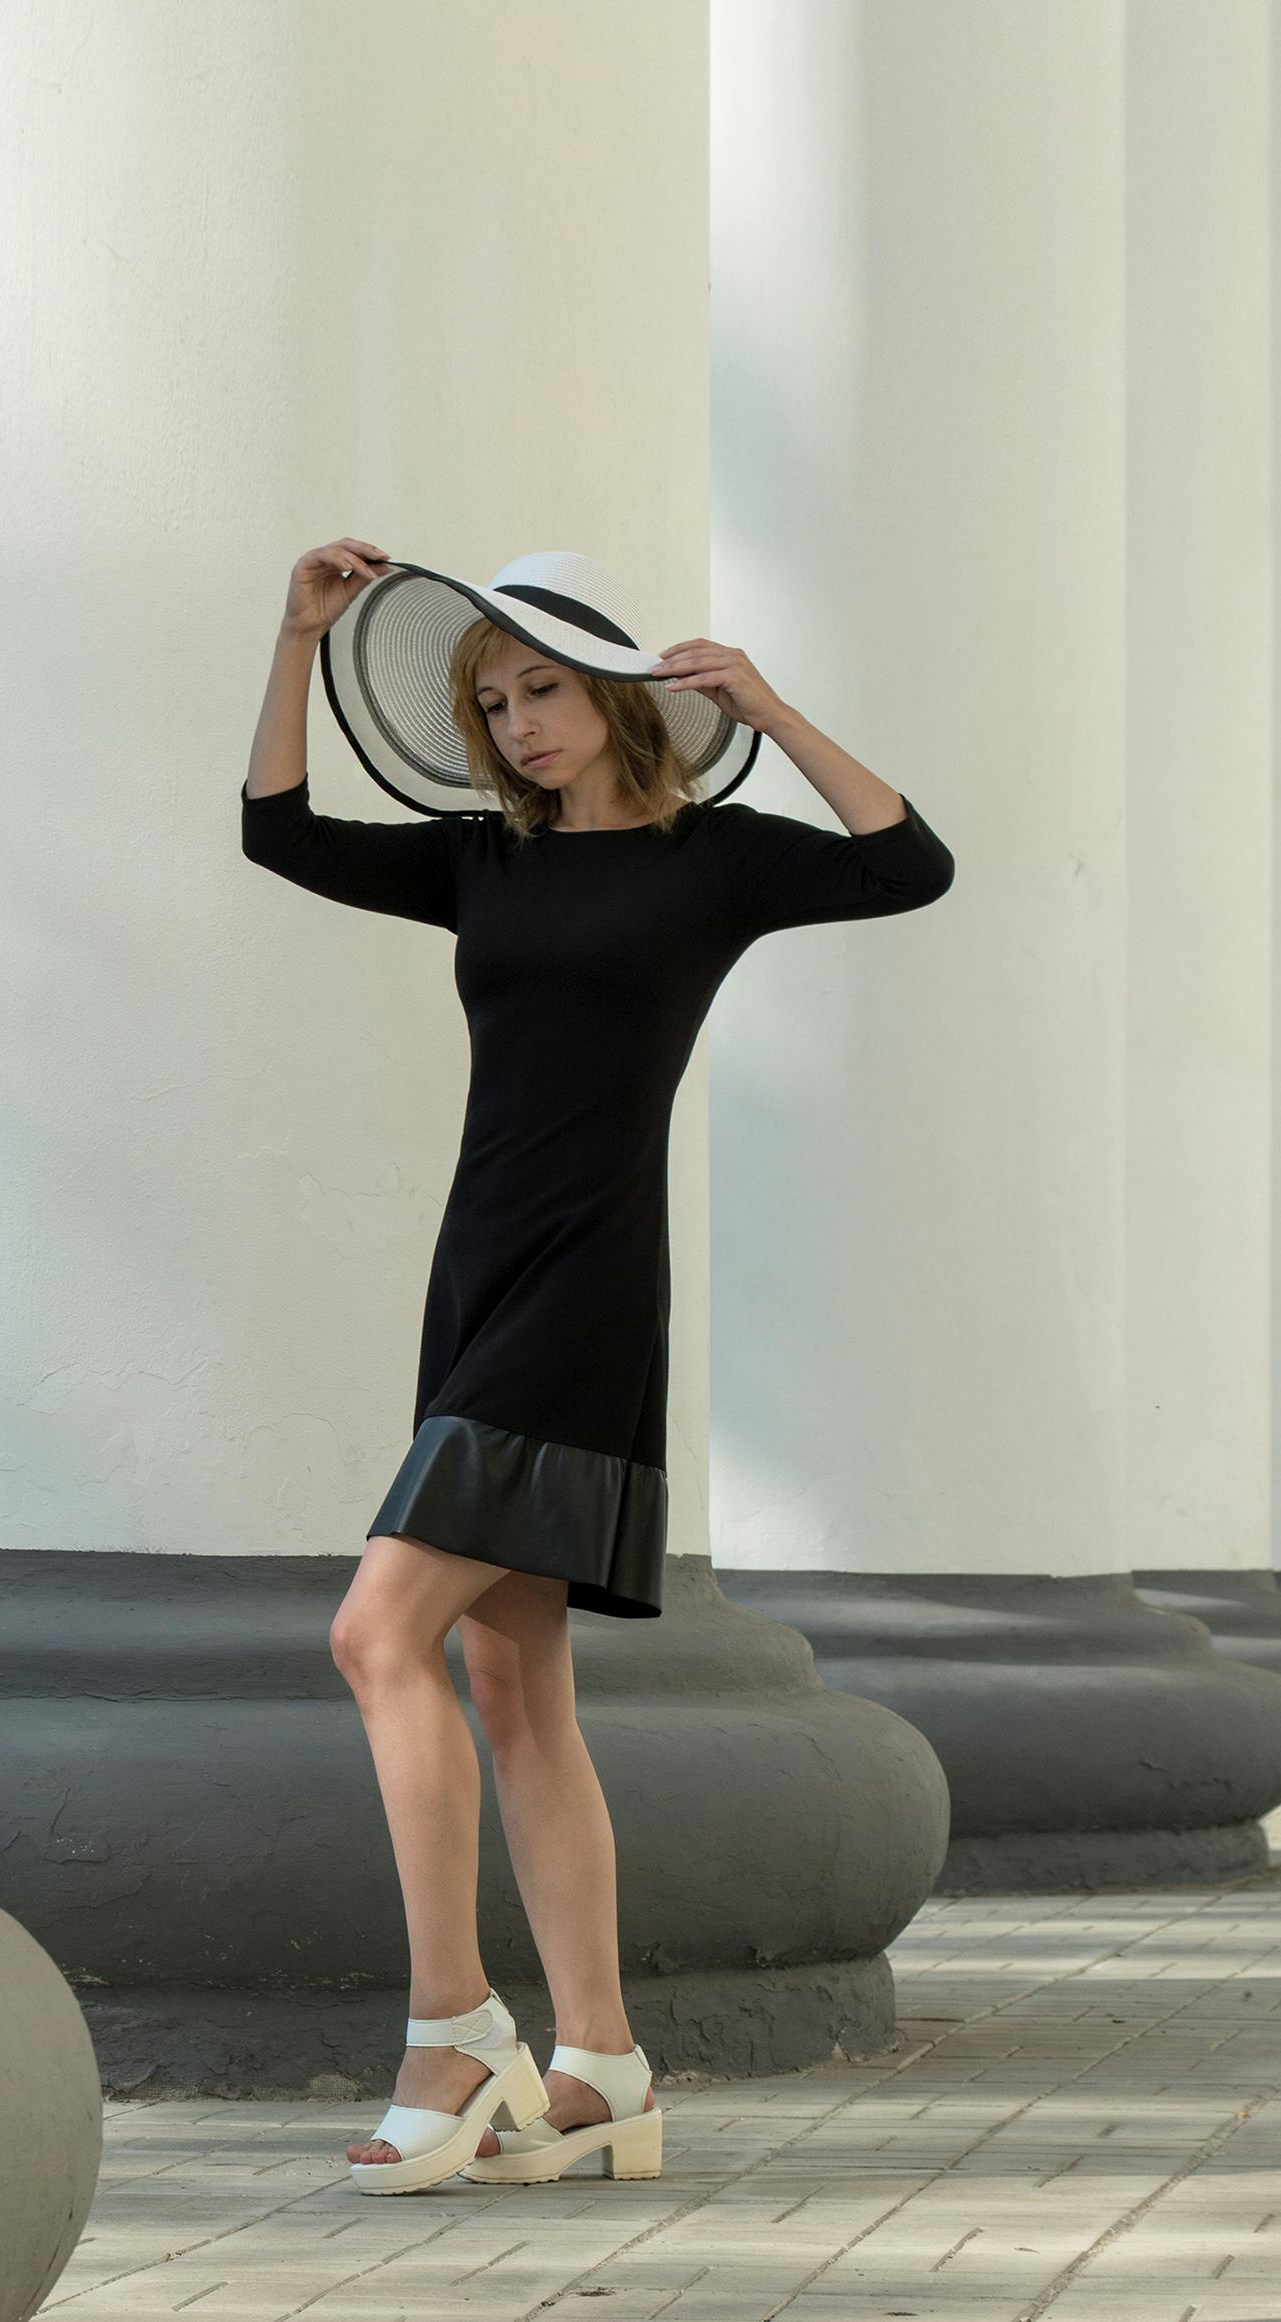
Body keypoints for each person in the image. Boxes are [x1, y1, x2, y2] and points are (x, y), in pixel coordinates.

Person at [238, 537, 956, 2194]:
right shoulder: (486, 864)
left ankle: (450, 2026)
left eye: (543, 685)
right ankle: (606, 2064)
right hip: (477, 1276)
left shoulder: (719, 860)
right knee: (513, 1688)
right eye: (494, 699)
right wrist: (295, 639)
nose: (518, 719)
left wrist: (769, 705)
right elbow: (276, 833)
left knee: (373, 1631)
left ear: (616, 688)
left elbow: (910, 862)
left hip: (587, 1287)